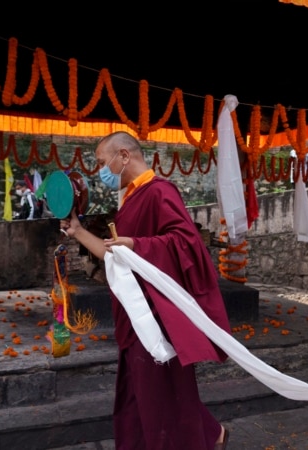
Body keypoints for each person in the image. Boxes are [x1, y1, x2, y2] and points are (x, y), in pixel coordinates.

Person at [59, 131, 231, 450]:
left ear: (124, 156)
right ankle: (210, 433)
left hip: (157, 317)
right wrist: (78, 231)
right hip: (134, 313)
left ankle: (207, 436)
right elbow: (115, 255)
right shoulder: (130, 200)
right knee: (142, 394)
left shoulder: (159, 192)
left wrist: (139, 244)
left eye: (101, 162)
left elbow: (187, 244)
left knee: (161, 393)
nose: (100, 171)